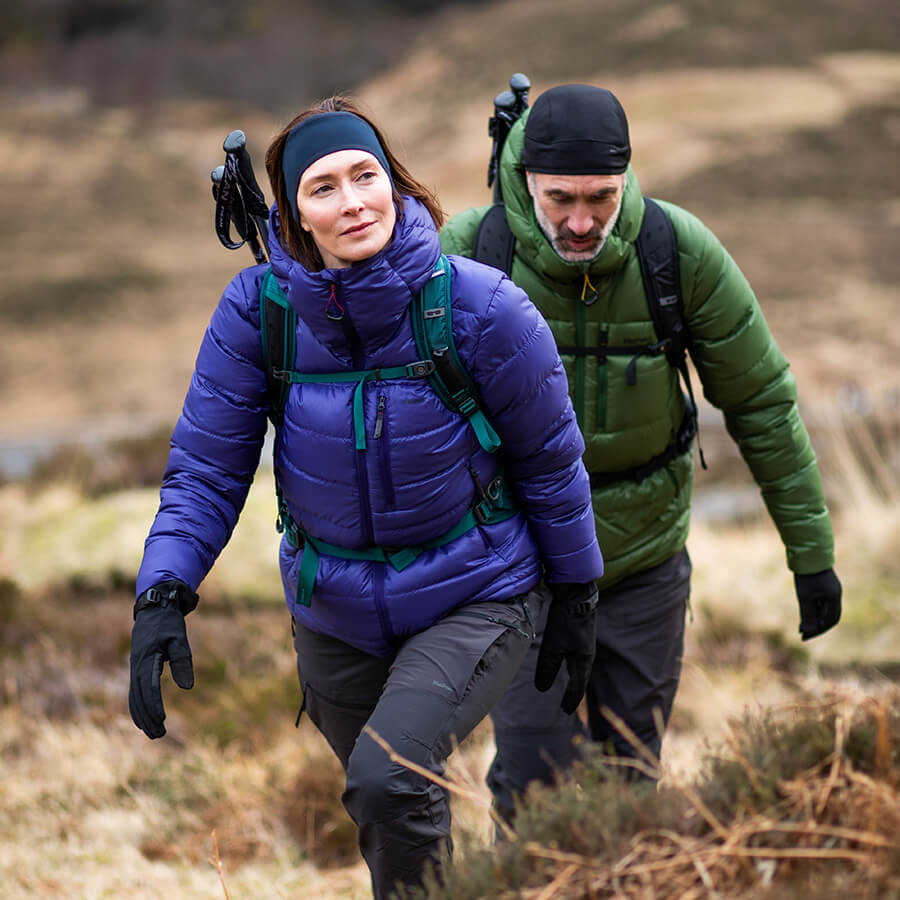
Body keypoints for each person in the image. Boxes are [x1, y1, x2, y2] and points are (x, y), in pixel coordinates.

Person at [127, 95, 604, 899]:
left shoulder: (482, 307)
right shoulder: (259, 314)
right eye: (323, 188)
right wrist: (162, 591)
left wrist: (579, 593)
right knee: (394, 818)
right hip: (333, 613)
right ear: (294, 215)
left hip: (476, 594)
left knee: (388, 779)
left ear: (396, 183)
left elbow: (552, 465)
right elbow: (207, 468)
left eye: (365, 175)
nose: (352, 202)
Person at [440, 83, 842, 819]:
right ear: (523, 177)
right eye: (560, 198)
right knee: (535, 790)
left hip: (646, 563)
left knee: (632, 783)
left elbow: (760, 401)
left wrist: (810, 555)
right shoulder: (471, 253)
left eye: (602, 196)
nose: (583, 220)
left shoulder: (675, 250)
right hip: (520, 564)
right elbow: (393, 405)